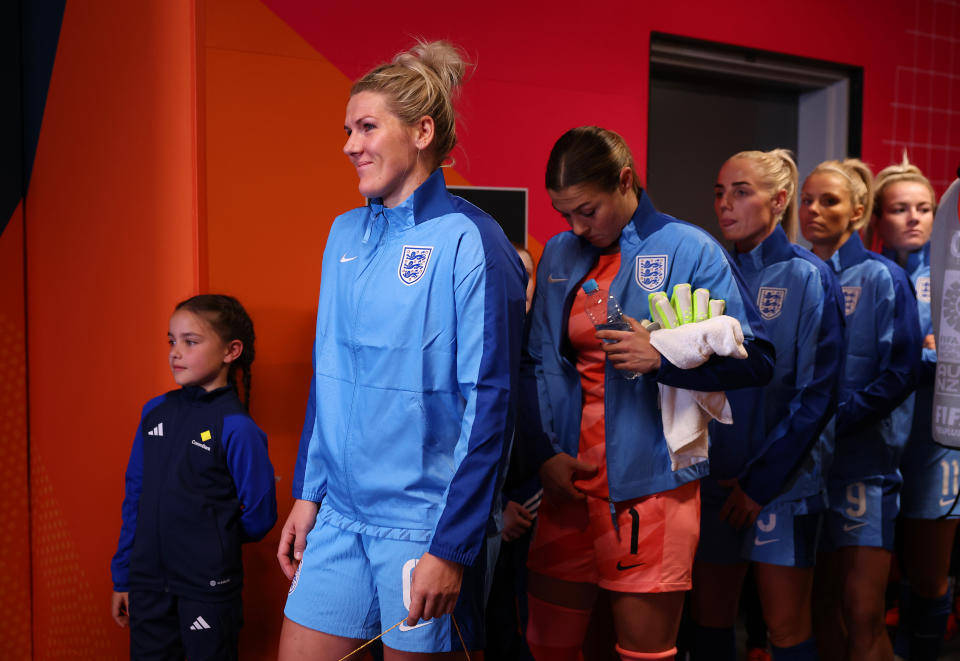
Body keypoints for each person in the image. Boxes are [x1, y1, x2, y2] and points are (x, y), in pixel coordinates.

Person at [276, 40, 527, 660]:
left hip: (422, 528)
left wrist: (452, 547)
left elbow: (490, 404)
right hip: (337, 518)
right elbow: (328, 375)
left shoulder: (474, 241)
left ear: (421, 131)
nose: (349, 144)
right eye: (347, 130)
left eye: (366, 127)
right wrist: (309, 496)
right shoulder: (344, 232)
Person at [523, 126, 775, 661]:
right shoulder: (561, 255)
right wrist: (543, 453)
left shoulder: (688, 248)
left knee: (643, 654)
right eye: (563, 214)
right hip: (567, 483)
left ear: (626, 180)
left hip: (650, 487)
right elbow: (533, 361)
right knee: (549, 647)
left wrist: (663, 361)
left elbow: (759, 360)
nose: (574, 227)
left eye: (587, 210)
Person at [690, 149, 845, 661]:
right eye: (719, 191)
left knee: (785, 628)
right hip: (716, 479)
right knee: (711, 623)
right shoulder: (710, 271)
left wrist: (759, 483)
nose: (725, 205)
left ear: (779, 201)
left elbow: (817, 394)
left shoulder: (810, 275)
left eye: (741, 191)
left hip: (783, 486)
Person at [110, 294, 278, 661]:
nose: (175, 352)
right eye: (171, 341)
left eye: (190, 342)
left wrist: (212, 538)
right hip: (147, 585)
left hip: (208, 590)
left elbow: (261, 513)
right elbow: (135, 497)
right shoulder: (154, 412)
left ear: (231, 351)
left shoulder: (236, 427)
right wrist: (123, 576)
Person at [800, 159, 921, 661]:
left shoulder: (883, 276)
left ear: (857, 210)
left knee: (863, 612)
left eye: (828, 201)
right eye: (806, 199)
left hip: (864, 467)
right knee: (819, 608)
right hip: (805, 469)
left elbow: (901, 372)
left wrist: (831, 420)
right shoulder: (797, 274)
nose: (812, 210)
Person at [866, 157, 956, 660]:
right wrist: (920, 351)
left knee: (928, 574)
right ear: (877, 218)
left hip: (934, 442)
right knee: (871, 577)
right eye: (900, 209)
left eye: (924, 208)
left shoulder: (951, 276)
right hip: (873, 440)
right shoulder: (863, 275)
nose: (915, 218)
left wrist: (920, 354)